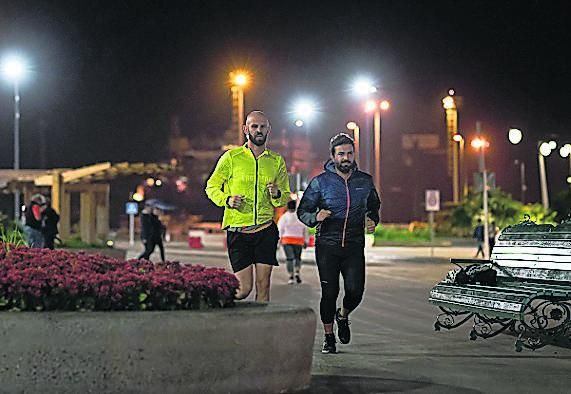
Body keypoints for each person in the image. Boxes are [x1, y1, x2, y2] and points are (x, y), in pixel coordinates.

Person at [297, 133, 380, 354]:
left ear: (354, 155)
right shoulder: (320, 182)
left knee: (355, 291)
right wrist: (315, 217)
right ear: (333, 156)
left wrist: (372, 219)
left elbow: (373, 206)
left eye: (349, 153)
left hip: (354, 245)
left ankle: (342, 315)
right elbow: (303, 210)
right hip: (327, 245)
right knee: (329, 292)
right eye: (341, 153)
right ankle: (328, 337)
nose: (346, 157)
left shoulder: (365, 181)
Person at [205, 110, 290, 302]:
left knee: (264, 288)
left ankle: (261, 331)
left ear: (269, 130)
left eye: (262, 127)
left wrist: (276, 194)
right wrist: (226, 199)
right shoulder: (231, 157)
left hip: (265, 230)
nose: (258, 130)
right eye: (254, 126)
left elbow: (284, 197)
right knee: (243, 290)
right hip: (238, 231)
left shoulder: (276, 161)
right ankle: (216, 307)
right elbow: (211, 187)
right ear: (246, 129)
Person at [277, 199, 309, 285]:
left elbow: (280, 230)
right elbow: (305, 230)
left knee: (289, 259)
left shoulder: (284, 217)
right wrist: (306, 241)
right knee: (297, 258)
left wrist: (278, 241)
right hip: (299, 241)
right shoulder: (300, 217)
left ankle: (291, 276)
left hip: (287, 240)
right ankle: (297, 272)